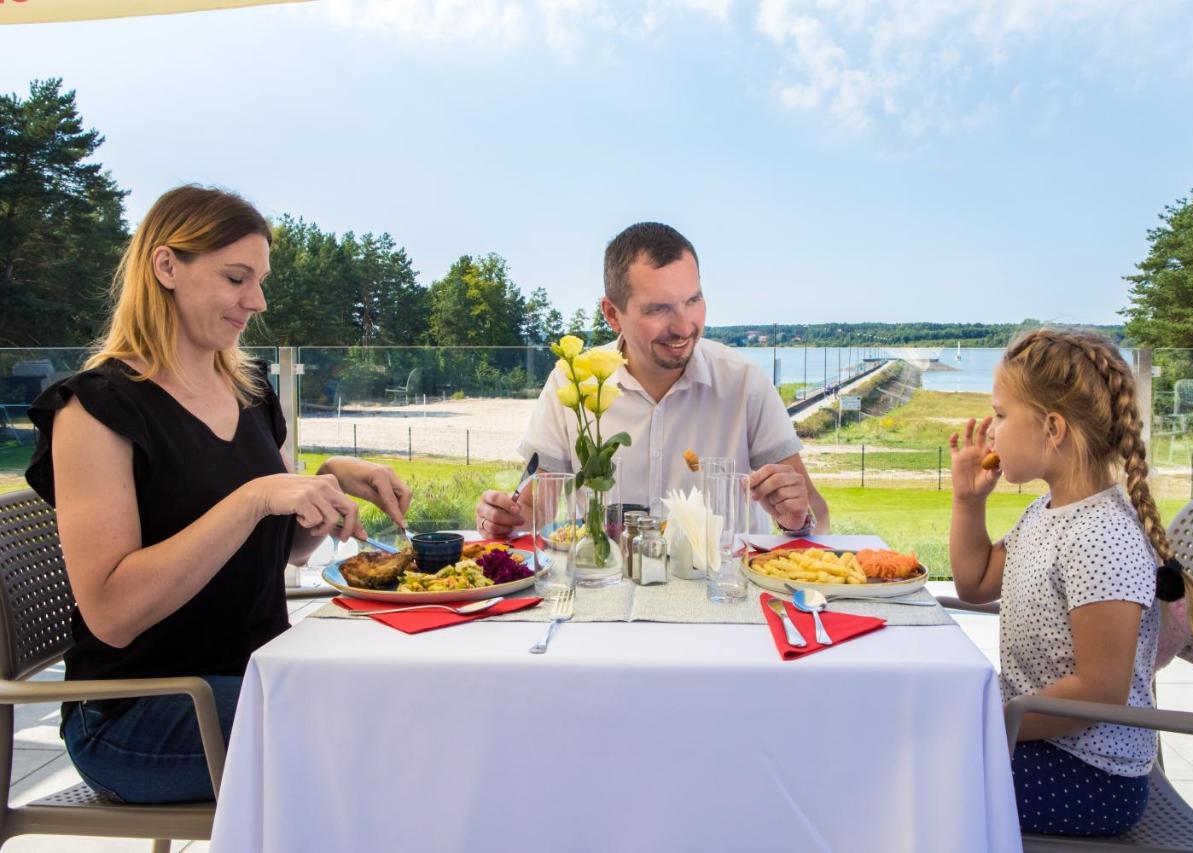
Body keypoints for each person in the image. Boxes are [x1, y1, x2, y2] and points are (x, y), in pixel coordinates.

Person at [25, 185, 412, 804]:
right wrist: (252, 497)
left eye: (259, 281)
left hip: (256, 674)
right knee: (386, 744)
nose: (255, 301)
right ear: (166, 266)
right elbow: (113, 615)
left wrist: (326, 490)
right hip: (143, 712)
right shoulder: (96, 408)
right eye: (237, 278)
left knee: (415, 700)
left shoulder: (249, 388)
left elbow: (285, 547)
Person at [948, 328, 1193, 837]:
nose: (991, 430)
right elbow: (975, 582)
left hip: (1093, 776)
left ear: (1052, 428)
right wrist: (969, 502)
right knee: (920, 756)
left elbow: (1098, 693)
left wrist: (991, 723)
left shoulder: (1101, 538)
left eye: (1003, 415)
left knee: (926, 778)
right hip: (1040, 740)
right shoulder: (1048, 512)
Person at [475, 222, 828, 536]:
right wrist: (507, 518)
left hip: (721, 596)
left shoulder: (744, 381)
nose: (684, 325)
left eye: (693, 300)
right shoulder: (571, 382)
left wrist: (797, 518)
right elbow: (537, 509)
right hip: (607, 590)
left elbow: (816, 513)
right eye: (658, 309)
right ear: (613, 314)